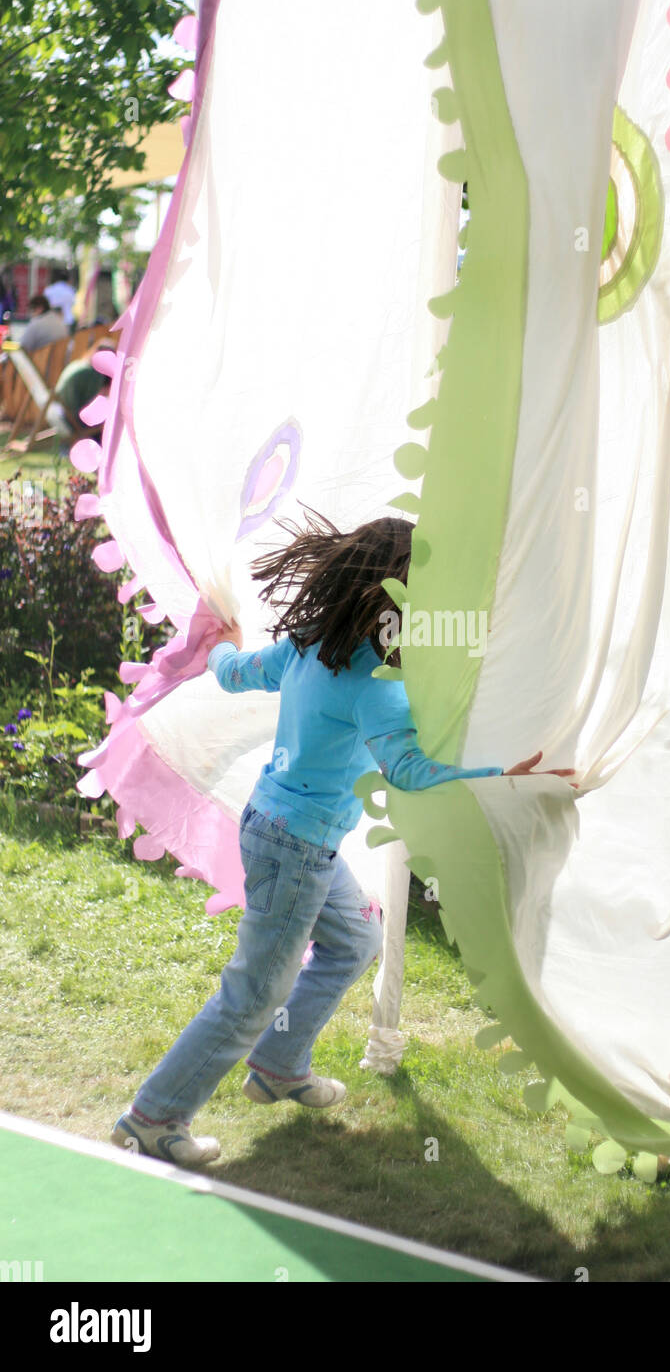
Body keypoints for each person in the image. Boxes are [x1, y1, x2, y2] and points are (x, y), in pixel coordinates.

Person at [110, 509, 577, 1167]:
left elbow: (234, 672)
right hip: (297, 849)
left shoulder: (306, 646)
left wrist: (218, 642)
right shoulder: (375, 688)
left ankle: (278, 1063)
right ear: (395, 597)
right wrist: (503, 772)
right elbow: (409, 771)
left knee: (356, 938)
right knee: (253, 993)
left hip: (276, 831)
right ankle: (152, 1117)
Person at [47, 338, 114, 447]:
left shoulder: (78, 364)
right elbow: (91, 404)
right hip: (73, 418)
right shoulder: (93, 372)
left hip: (60, 413)